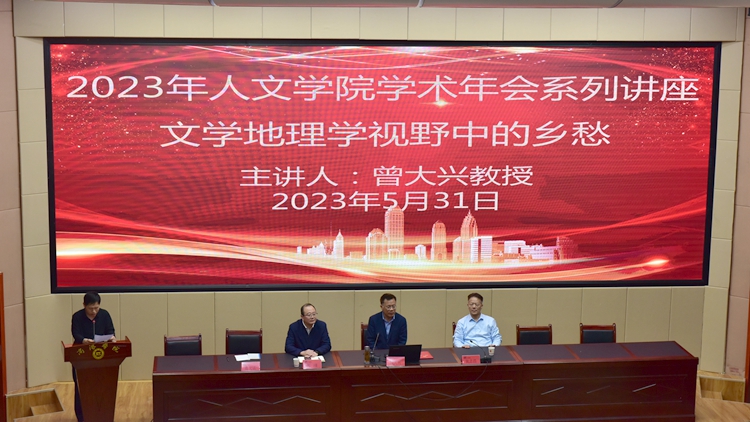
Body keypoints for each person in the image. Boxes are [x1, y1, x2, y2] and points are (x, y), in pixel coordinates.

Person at [70, 291, 116, 422]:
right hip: (82, 356)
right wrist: (84, 340)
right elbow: (76, 334)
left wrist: (112, 337)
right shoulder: (77, 316)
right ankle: (82, 417)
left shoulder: (105, 314)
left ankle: (103, 414)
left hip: (102, 356)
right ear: (84, 305)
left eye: (96, 308)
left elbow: (110, 330)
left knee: (103, 385)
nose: (94, 311)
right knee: (81, 386)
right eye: (90, 308)